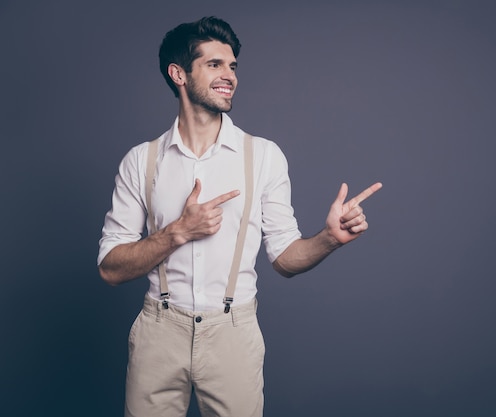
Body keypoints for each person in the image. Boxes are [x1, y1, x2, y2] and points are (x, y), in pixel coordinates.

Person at [98, 16, 382, 417]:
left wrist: (329, 238)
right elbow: (110, 269)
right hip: (158, 331)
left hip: (233, 332)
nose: (228, 75)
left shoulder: (263, 156)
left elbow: (284, 258)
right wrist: (177, 232)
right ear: (178, 73)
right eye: (214, 64)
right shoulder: (141, 162)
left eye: (232, 66)